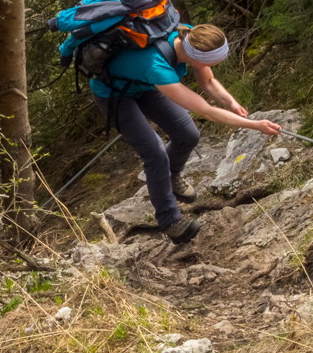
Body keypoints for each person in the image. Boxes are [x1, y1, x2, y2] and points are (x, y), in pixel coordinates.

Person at [61, 23, 281, 243]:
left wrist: (231, 103)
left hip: (144, 85)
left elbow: (210, 82)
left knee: (188, 134)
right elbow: (206, 111)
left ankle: (172, 176)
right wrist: (254, 125)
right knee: (154, 152)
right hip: (113, 93)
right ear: (197, 57)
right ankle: (170, 221)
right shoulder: (156, 65)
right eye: (211, 63)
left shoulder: (192, 38)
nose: (213, 66)